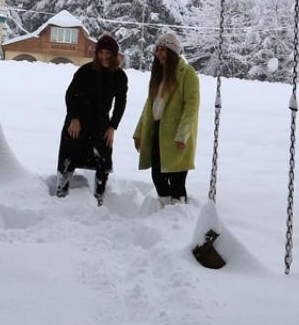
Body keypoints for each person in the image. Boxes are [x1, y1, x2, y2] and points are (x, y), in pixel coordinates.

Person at [55, 33, 127, 206]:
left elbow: (120, 103)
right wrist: (74, 118)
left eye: (108, 53)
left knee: (102, 158)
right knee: (69, 155)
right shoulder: (85, 71)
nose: (104, 57)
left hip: (101, 123)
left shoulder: (119, 76)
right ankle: (61, 191)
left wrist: (112, 127)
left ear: (114, 55)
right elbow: (70, 95)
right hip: (77, 121)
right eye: (100, 53)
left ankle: (99, 195)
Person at [132, 32, 200, 205]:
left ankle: (179, 211)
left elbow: (191, 107)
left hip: (176, 135)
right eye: (158, 49)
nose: (160, 54)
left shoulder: (188, 74)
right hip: (157, 132)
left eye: (164, 50)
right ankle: (166, 207)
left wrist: (182, 135)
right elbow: (149, 106)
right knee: (158, 176)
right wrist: (139, 132)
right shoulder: (158, 75)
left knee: (177, 178)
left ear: (174, 52)